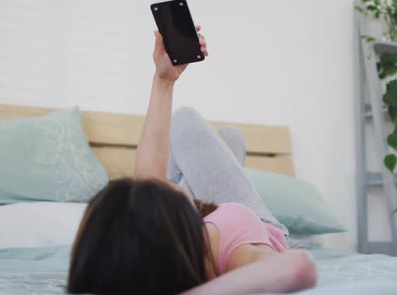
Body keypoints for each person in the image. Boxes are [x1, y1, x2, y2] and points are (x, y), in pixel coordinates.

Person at [67, 26, 317, 295]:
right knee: (193, 123)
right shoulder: (238, 250)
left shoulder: (158, 243)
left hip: (196, 220)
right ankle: (225, 150)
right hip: (253, 225)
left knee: (226, 139)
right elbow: (298, 267)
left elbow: (148, 186)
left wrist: (163, 79)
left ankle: (224, 149)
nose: (155, 185)